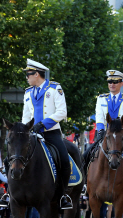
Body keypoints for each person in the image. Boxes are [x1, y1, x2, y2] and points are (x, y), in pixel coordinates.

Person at [19, 59, 73, 209]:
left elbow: (62, 112)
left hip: (51, 133)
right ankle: (13, 192)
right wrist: (24, 130)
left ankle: (63, 195)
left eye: (28, 74)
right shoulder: (28, 92)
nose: (27, 78)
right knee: (14, 157)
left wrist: (43, 124)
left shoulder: (55, 88)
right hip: (31, 135)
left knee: (63, 160)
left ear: (36, 74)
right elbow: (25, 116)